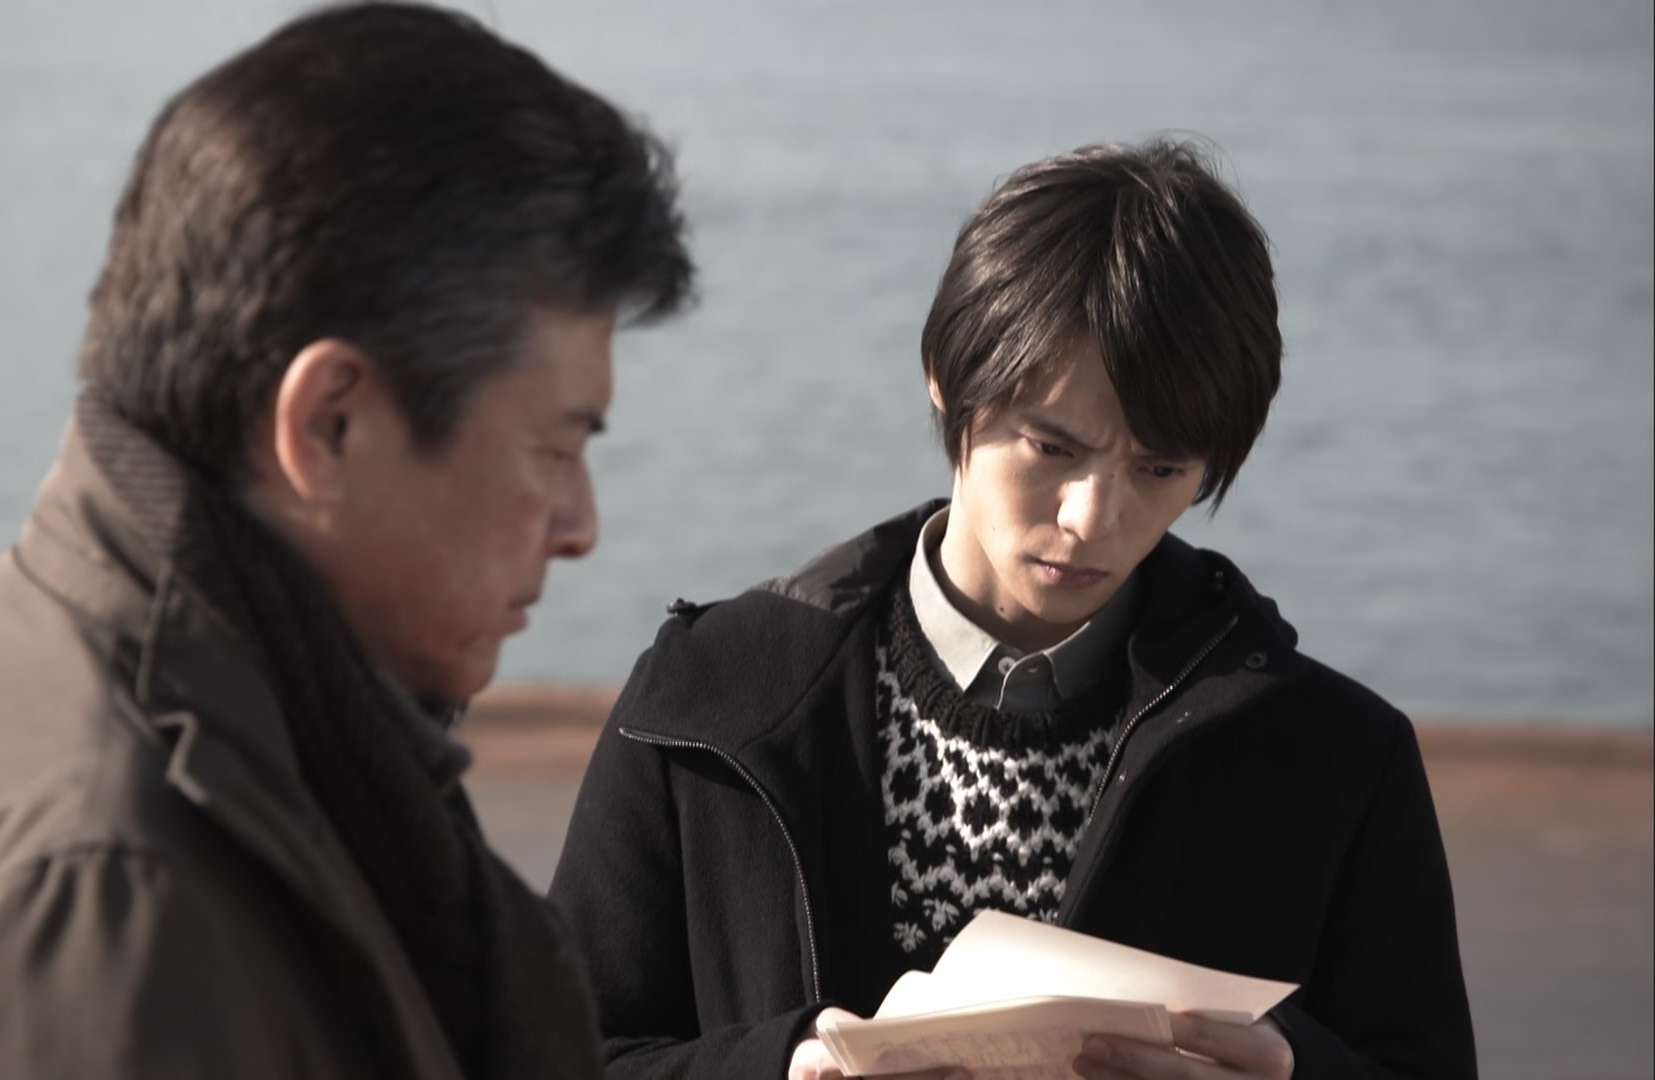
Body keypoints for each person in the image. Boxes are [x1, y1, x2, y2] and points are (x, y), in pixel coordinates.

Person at [0, 4, 692, 1078]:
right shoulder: (112, 920)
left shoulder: (196, 691)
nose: (581, 527)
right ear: (330, 425)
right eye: (555, 449)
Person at [549, 138, 1476, 1079]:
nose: (1092, 519)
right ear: (946, 378)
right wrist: (782, 1067)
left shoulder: (1333, 758)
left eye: (1158, 469)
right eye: (1052, 448)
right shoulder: (710, 702)